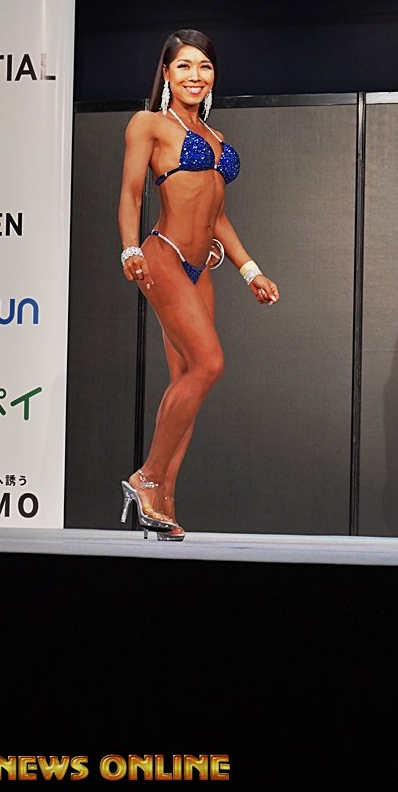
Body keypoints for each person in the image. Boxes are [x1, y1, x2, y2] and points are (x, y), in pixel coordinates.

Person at [118, 28, 279, 541]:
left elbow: (217, 216)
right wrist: (129, 249)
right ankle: (146, 478)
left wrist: (250, 270)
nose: (195, 75)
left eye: (204, 66)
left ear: (214, 76)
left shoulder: (215, 137)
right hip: (162, 256)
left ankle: (162, 501)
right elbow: (131, 193)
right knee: (210, 363)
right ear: (166, 73)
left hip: (200, 266)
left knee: (188, 378)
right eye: (184, 65)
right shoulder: (148, 124)